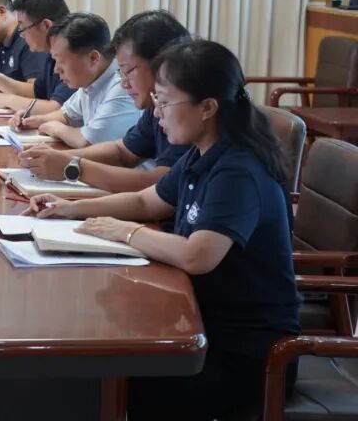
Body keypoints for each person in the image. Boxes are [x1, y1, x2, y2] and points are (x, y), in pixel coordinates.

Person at [26, 40, 299, 420]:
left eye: (166, 102)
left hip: (249, 357)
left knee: (103, 384)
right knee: (95, 371)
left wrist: (127, 233)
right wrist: (69, 209)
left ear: (207, 107)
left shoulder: (238, 169)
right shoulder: (203, 151)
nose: (156, 112)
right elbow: (146, 202)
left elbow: (198, 255)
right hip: (203, 323)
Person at [19, 10, 192, 192]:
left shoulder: (185, 110)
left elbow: (161, 186)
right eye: (121, 72)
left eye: (127, 71)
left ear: (161, 64)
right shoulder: (154, 108)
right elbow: (122, 152)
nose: (124, 83)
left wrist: (74, 167)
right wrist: (61, 159)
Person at [9, 12, 140, 147]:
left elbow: (87, 141)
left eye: (61, 61)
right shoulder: (91, 80)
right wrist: (32, 120)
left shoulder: (123, 85)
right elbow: (66, 115)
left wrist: (56, 128)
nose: (56, 70)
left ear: (93, 58)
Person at [0, 0, 74, 112]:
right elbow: (36, 92)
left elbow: (59, 109)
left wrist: (9, 100)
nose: (21, 34)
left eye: (22, 27)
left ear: (46, 25)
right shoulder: (51, 55)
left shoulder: (73, 52)